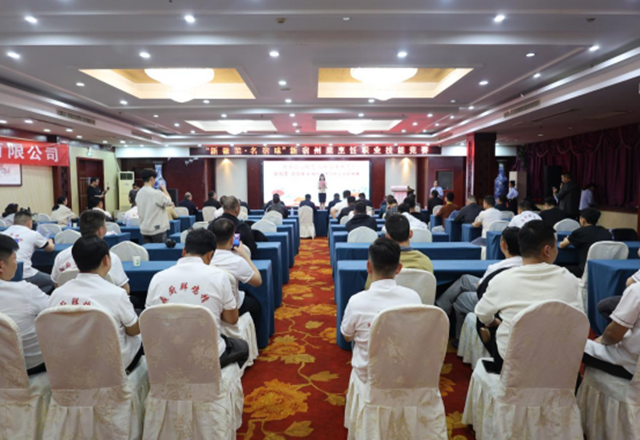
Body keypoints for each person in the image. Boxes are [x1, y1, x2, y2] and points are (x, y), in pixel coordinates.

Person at [475, 221, 582, 373]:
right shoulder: (570, 279)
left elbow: (482, 314)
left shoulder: (502, 279)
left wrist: (494, 322)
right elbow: (578, 319)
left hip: (513, 361)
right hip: (559, 360)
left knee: (486, 324)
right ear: (547, 250)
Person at [146, 228, 249, 369]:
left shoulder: (157, 278)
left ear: (184, 251)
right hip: (208, 356)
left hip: (166, 356)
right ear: (210, 255)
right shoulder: (219, 277)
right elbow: (232, 319)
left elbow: (150, 320)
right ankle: (220, 379)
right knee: (242, 347)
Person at [49, 236, 142, 372]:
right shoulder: (116, 294)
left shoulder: (57, 294)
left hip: (71, 361)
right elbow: (134, 330)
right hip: (109, 364)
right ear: (106, 260)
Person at [341, 237, 422, 382]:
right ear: (399, 268)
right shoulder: (414, 298)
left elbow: (347, 336)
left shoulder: (356, 302)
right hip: (405, 374)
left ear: (368, 267)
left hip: (369, 377)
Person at [436, 227, 522, 340]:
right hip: (512, 299)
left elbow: (480, 288)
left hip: (497, 306)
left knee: (461, 298)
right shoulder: (529, 265)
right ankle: (442, 307)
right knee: (465, 279)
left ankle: (458, 336)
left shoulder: (496, 268)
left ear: (503, 245)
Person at [0, 234, 49, 375]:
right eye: (14, 259)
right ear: (1, 265)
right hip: (29, 366)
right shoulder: (26, 291)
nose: (17, 264)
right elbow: (54, 312)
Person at [51, 210, 130, 293]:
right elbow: (125, 289)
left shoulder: (61, 256)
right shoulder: (110, 258)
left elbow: (57, 284)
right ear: (101, 230)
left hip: (70, 299)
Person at [209, 219, 262, 330]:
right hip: (232, 308)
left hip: (209, 304)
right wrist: (245, 255)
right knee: (256, 305)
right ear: (232, 239)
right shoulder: (237, 261)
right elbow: (257, 281)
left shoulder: (205, 257)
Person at [583, 281, 640, 380]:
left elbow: (612, 336)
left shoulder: (637, 290)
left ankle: (569, 387)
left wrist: (602, 340)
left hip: (631, 366)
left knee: (567, 343)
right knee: (606, 306)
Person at [365, 214, 433, 289]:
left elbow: (369, 289)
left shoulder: (378, 263)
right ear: (410, 234)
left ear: (387, 237)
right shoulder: (425, 262)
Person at [1, 210, 55, 294]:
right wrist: (50, 241)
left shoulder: (3, 233)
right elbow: (50, 248)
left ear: (14, 222)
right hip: (24, 274)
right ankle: (35, 296)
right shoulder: (33, 234)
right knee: (51, 281)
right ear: (30, 223)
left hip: (4, 274)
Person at [559, 207, 612, 277]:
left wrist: (567, 239)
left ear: (583, 220)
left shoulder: (580, 232)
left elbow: (562, 245)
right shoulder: (606, 232)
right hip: (603, 270)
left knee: (559, 268)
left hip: (584, 270)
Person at [135, 168, 173, 244]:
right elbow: (169, 202)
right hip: (157, 230)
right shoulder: (156, 193)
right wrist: (164, 189)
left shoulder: (138, 194)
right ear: (152, 179)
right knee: (159, 251)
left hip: (144, 230)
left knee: (148, 250)